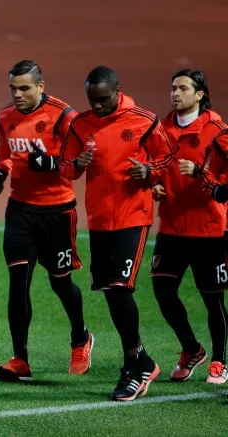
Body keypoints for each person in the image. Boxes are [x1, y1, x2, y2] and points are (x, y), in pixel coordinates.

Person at [57, 66, 176, 401]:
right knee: (110, 292)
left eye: (103, 99)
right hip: (99, 220)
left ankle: (134, 366)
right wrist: (77, 164)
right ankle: (143, 360)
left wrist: (149, 170)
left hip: (133, 216)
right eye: (91, 100)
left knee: (121, 288)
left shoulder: (144, 120)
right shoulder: (80, 125)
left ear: (117, 90)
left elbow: (168, 157)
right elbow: (65, 167)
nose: (97, 106)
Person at [0, 60, 92, 382]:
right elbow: (5, 155)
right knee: (18, 283)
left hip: (57, 212)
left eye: (24, 88)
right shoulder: (5, 117)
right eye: (13, 88)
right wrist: (0, 173)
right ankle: (20, 358)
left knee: (60, 282)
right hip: (20, 211)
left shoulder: (64, 116)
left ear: (40, 87)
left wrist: (48, 162)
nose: (17, 94)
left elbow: (78, 163)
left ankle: (81, 338)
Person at [150, 69, 228, 385]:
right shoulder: (160, 129)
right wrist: (154, 184)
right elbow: (155, 165)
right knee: (163, 290)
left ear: (199, 94)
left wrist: (199, 173)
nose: (176, 93)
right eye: (173, 88)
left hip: (208, 228)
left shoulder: (217, 131)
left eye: (183, 88)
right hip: (171, 227)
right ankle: (192, 349)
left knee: (212, 298)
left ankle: (220, 361)